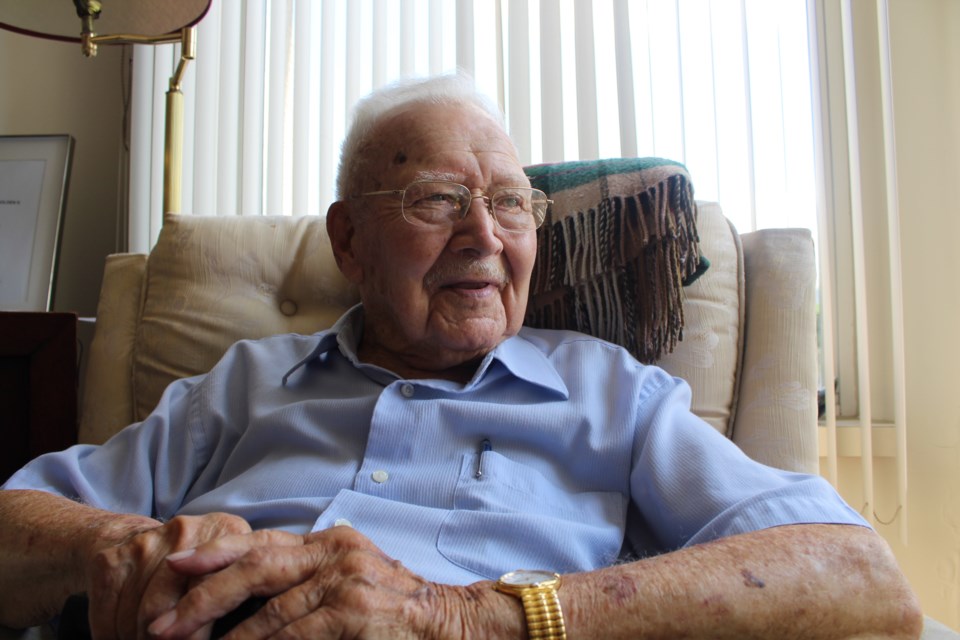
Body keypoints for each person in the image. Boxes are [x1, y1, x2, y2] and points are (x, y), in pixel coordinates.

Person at [0, 74, 921, 640]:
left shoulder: (613, 394)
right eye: (439, 199)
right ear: (350, 241)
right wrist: (124, 547)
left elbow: (859, 576)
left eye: (513, 204)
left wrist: (466, 618)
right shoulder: (240, 383)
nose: (487, 236)